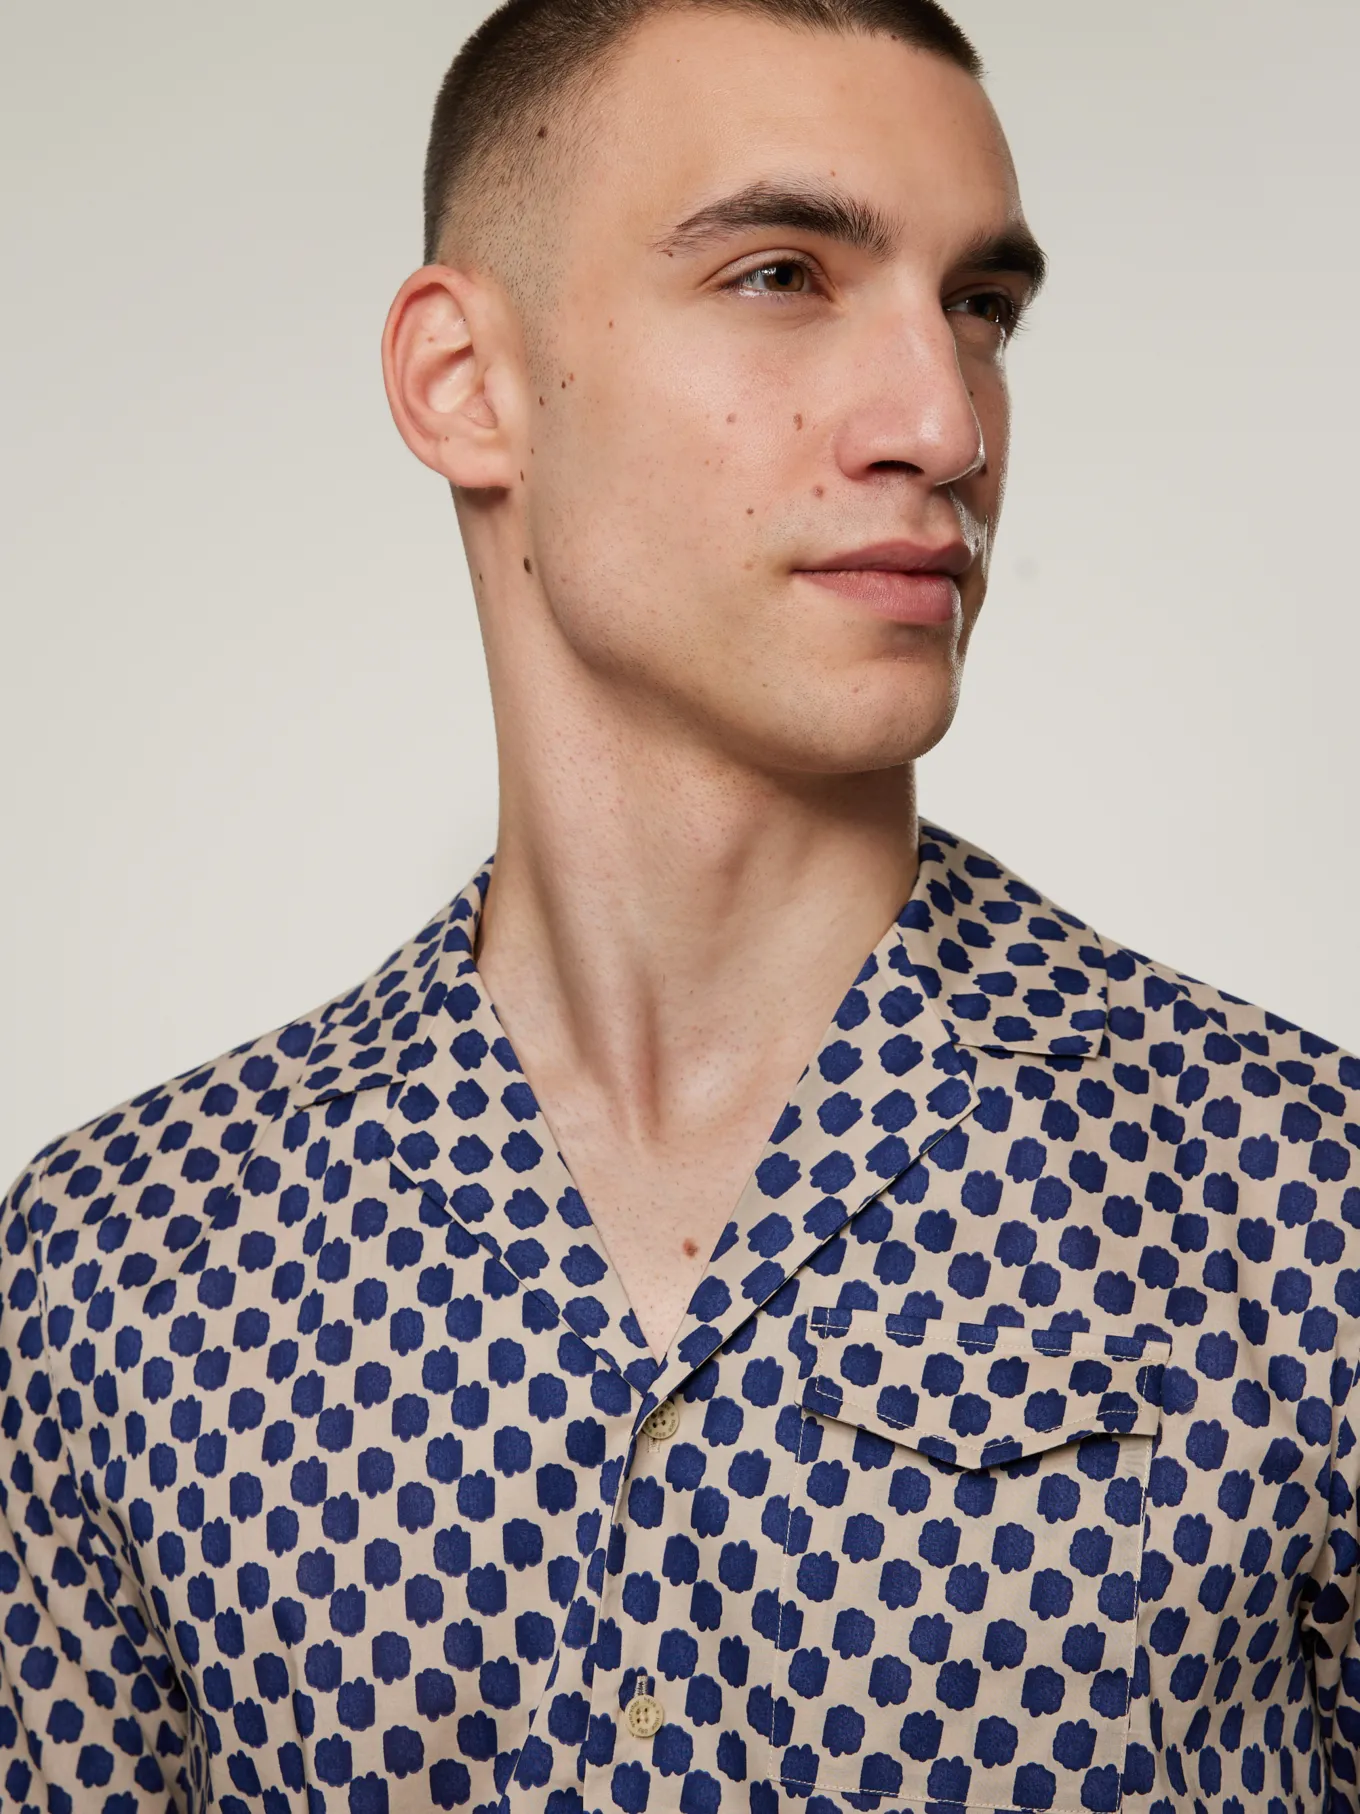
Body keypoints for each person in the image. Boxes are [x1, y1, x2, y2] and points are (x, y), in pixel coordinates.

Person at [1, 0, 1356, 1810]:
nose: (945, 422)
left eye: (982, 307)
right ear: (464, 382)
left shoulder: (1305, 1212)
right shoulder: (119, 1272)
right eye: (782, 274)